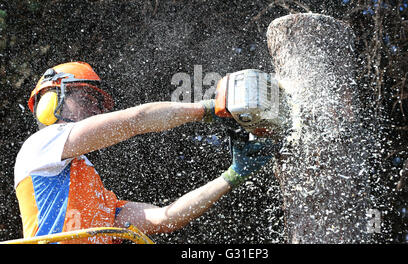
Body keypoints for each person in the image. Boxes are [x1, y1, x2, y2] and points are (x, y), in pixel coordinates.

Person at [14, 61, 273, 244]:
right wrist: (207, 109)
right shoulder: (40, 146)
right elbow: (135, 120)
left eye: (97, 103)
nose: (95, 109)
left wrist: (233, 174)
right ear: (50, 102)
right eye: (86, 99)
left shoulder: (97, 200)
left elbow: (165, 219)